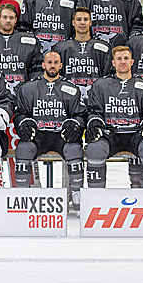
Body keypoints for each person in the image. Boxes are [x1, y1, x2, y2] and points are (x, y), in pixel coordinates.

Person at [13, 51, 85, 208]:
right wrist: (23, 122)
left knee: (74, 148)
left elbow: (80, 114)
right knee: (24, 148)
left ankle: (77, 195)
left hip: (62, 136)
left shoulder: (71, 89)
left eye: (56, 62)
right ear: (43, 65)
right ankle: (22, 196)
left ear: (61, 65)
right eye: (49, 62)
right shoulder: (28, 88)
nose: (52, 65)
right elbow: (20, 113)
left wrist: (75, 124)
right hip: (39, 135)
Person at [84, 46, 143, 189]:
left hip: (136, 134)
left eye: (126, 58)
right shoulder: (101, 85)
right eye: (119, 59)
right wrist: (95, 123)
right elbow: (94, 111)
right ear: (113, 63)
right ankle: (97, 197)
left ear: (132, 62)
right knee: (94, 148)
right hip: (110, 134)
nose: (123, 62)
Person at [0, 4, 42, 94]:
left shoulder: (31, 39)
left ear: (15, 20)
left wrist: (30, 89)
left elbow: (37, 68)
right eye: (4, 17)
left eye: (11, 18)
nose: (8, 20)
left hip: (21, 93)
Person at [53, 7, 111, 103]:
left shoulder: (104, 47)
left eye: (86, 19)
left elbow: (107, 76)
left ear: (90, 22)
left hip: (95, 99)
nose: (82, 23)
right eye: (79, 19)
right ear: (73, 23)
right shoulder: (61, 47)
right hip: (69, 99)